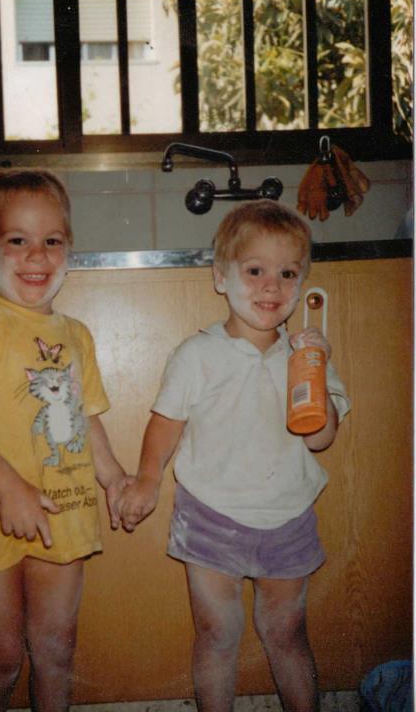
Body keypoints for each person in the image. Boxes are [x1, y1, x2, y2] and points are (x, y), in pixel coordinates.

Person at [118, 200, 350, 712]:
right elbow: (165, 424)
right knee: (216, 633)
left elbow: (320, 440)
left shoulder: (305, 356)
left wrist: (313, 369)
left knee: (286, 633)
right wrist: (146, 481)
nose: (272, 285)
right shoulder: (196, 355)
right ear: (221, 277)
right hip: (210, 516)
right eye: (255, 270)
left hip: (287, 515)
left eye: (288, 273)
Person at [0, 168, 131, 712]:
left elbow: (85, 415)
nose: (37, 256)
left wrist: (113, 477)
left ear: (69, 251)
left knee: (56, 651)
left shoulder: (77, 336)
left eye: (52, 241)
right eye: (16, 241)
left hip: (64, 509)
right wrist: (10, 489)